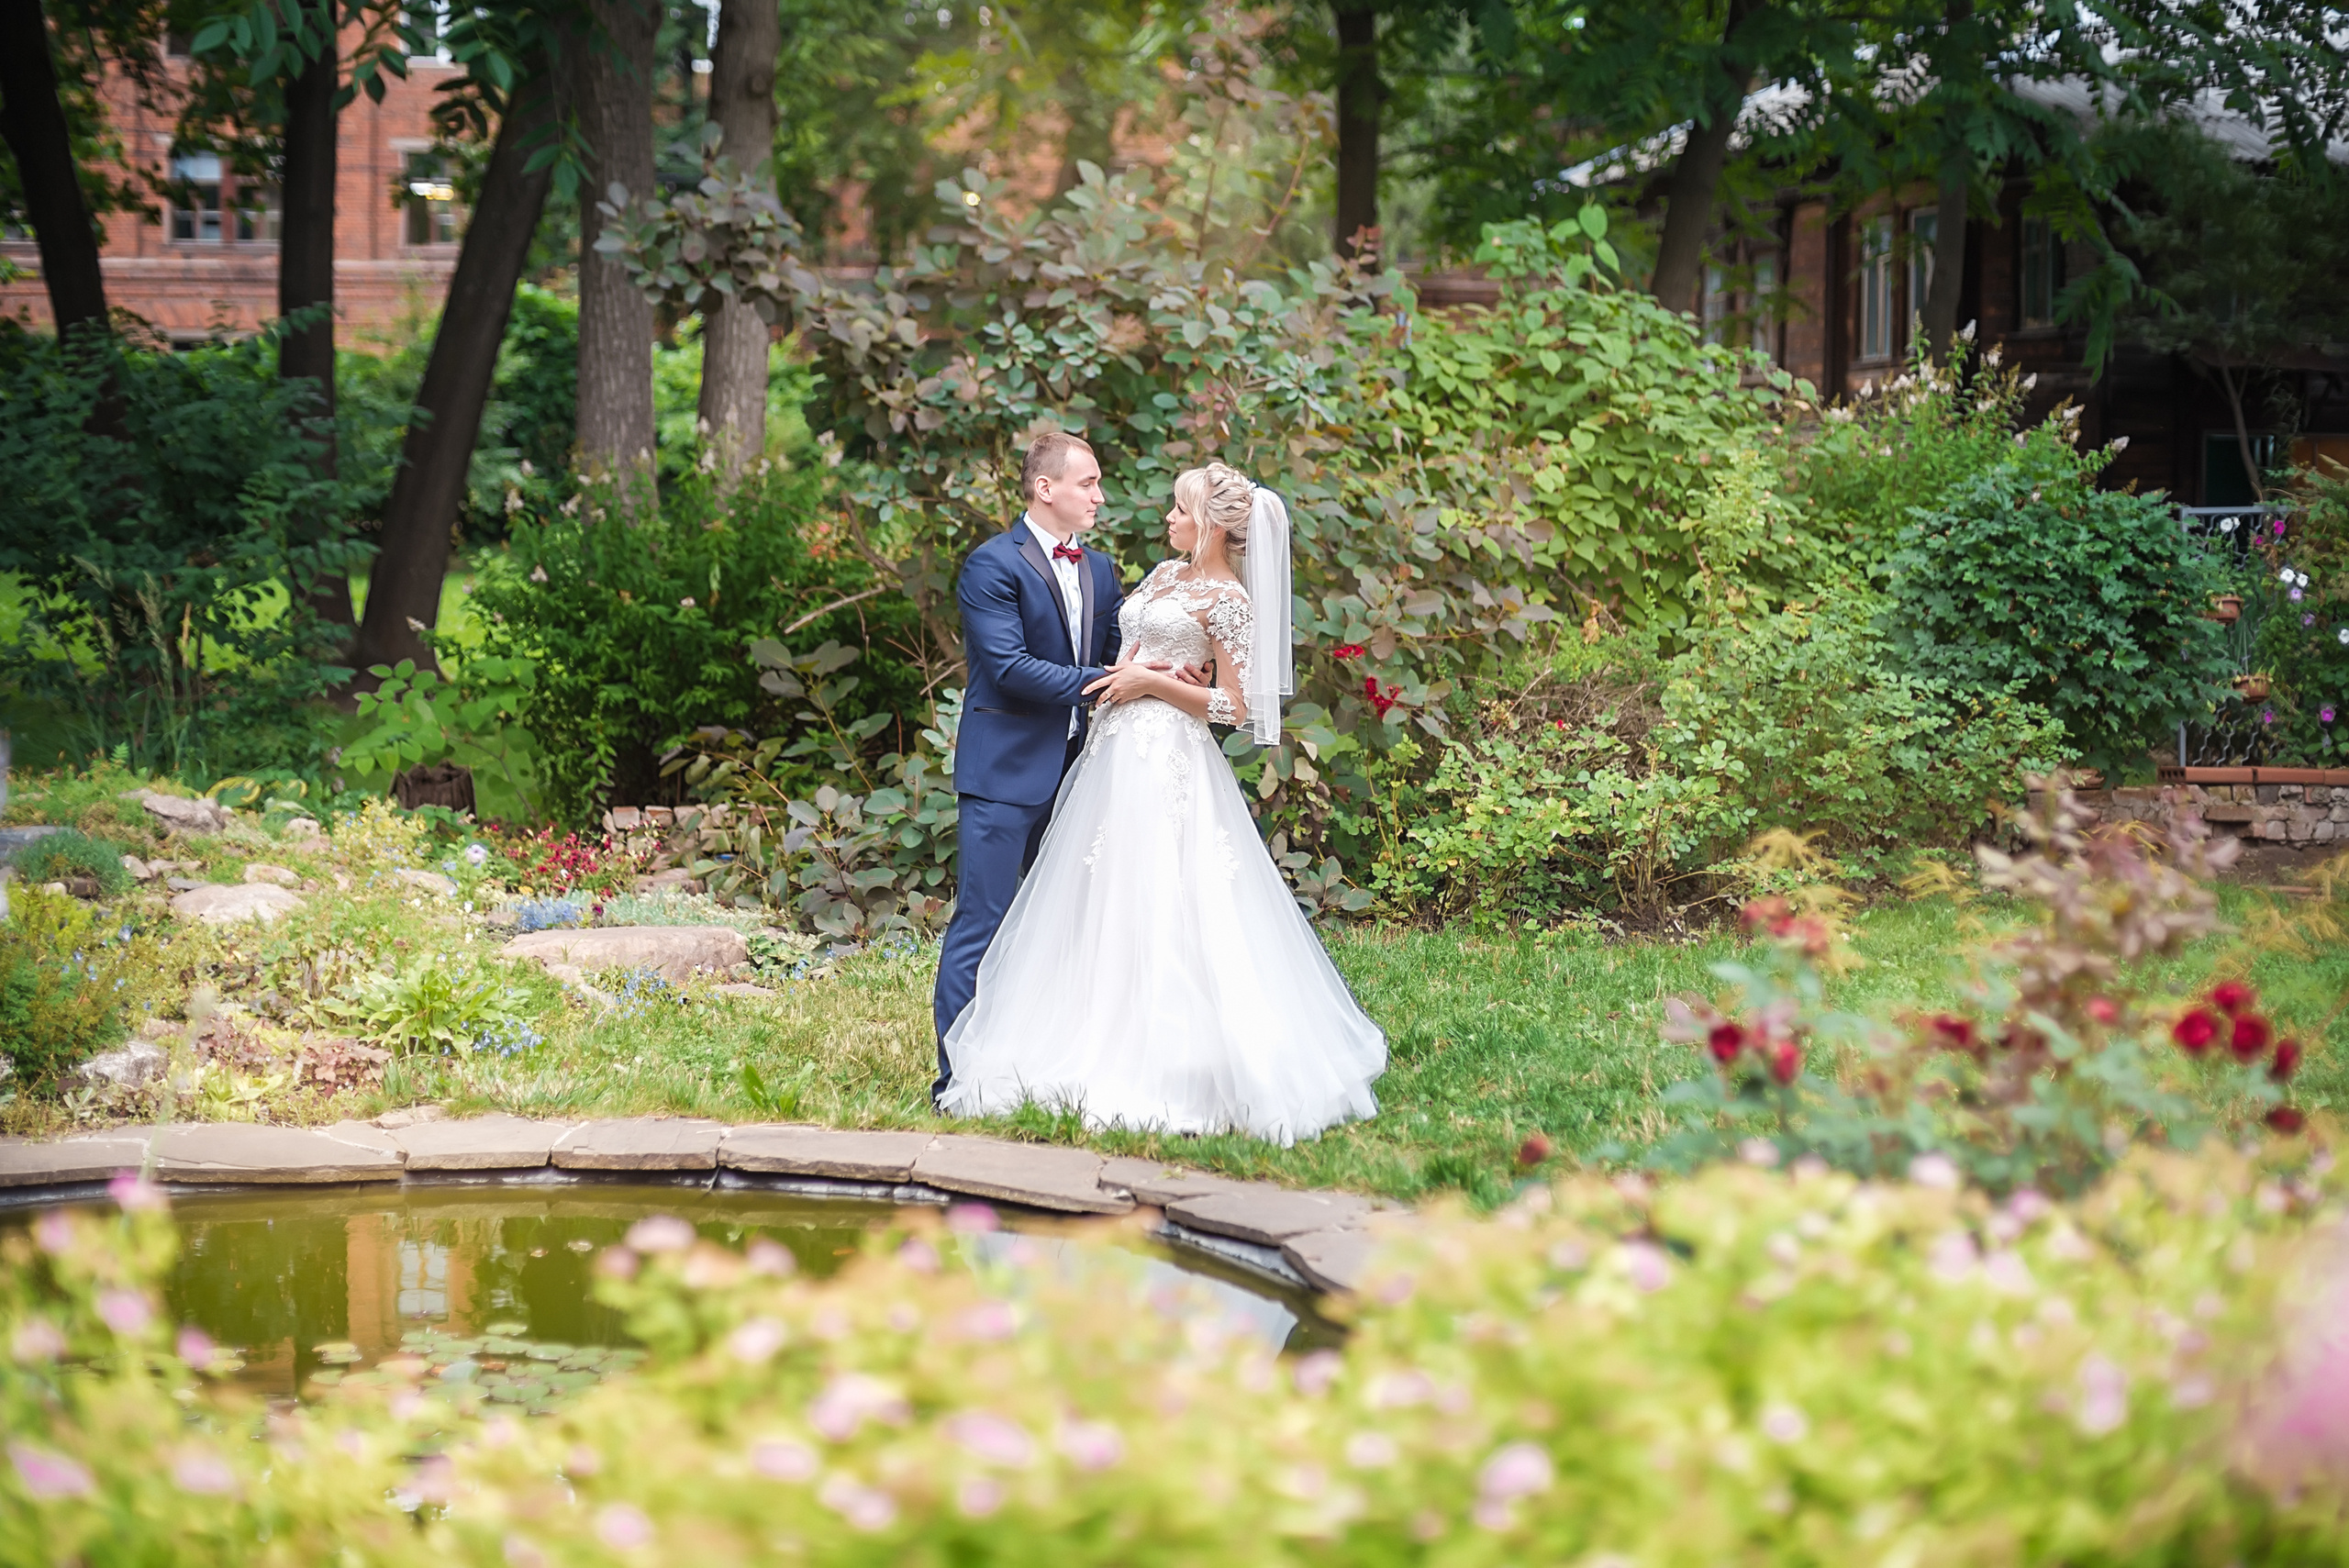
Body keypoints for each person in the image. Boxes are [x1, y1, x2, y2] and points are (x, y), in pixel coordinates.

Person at [936, 460, 1386, 1144]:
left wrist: (1155, 684)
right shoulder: (1160, 575)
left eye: (1179, 510)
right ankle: (974, 1067)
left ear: (1206, 522)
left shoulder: (1229, 600)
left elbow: (1234, 704)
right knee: (1086, 902)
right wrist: (1137, 673)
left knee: (1167, 901)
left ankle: (1171, 1060)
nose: (1167, 519)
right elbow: (1117, 654)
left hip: (1169, 758)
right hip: (1109, 756)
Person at [930, 431, 1128, 1104]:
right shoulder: (992, 565)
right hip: (1004, 773)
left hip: (1078, 774)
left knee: (1065, 926)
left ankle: (1044, 1071)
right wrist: (1105, 681)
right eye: (1089, 482)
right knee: (981, 923)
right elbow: (1009, 669)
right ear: (1047, 489)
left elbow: (1115, 651)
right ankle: (956, 1080)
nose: (1100, 495)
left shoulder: (1101, 570)